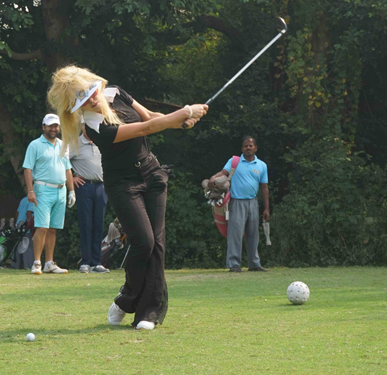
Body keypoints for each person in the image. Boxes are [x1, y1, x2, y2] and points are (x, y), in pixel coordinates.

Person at [47, 65, 207, 330]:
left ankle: (149, 313)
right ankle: (126, 298)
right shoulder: (93, 128)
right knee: (143, 242)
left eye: (90, 91)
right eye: (83, 99)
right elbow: (145, 129)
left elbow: (150, 116)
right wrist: (185, 112)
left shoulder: (116, 93)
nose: (92, 98)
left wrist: (180, 121)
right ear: (75, 108)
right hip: (122, 183)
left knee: (156, 244)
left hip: (152, 174)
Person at [23, 113, 75, 275]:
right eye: (50, 126)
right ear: (43, 127)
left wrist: (72, 190)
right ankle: (37, 262)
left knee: (53, 228)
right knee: (42, 227)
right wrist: (30, 190)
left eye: (56, 126)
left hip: (61, 190)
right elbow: (28, 168)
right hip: (42, 190)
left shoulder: (63, 144)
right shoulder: (35, 145)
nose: (54, 129)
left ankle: (49, 263)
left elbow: (68, 169)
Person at [208, 136, 270, 272]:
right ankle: (233, 264)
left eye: (251, 145)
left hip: (253, 202)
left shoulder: (261, 165)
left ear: (255, 148)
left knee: (253, 234)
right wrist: (213, 177)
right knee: (235, 233)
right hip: (236, 201)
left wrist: (266, 208)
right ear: (242, 148)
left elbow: (264, 187)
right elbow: (223, 173)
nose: (248, 148)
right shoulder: (234, 161)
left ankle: (254, 264)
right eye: (245, 146)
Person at [68, 121, 109, 274]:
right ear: (83, 127)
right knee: (86, 224)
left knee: (99, 224)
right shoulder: (75, 143)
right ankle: (86, 262)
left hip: (101, 186)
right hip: (84, 186)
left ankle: (96, 262)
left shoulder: (101, 142)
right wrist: (71, 177)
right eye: (88, 126)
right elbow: (62, 160)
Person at [10, 196, 35, 270]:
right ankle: (28, 266)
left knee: (18, 248)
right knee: (28, 248)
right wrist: (31, 226)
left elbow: (17, 213)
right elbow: (29, 212)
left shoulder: (23, 199)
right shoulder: (33, 199)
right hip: (27, 228)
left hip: (19, 227)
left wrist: (17, 223)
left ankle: (14, 266)